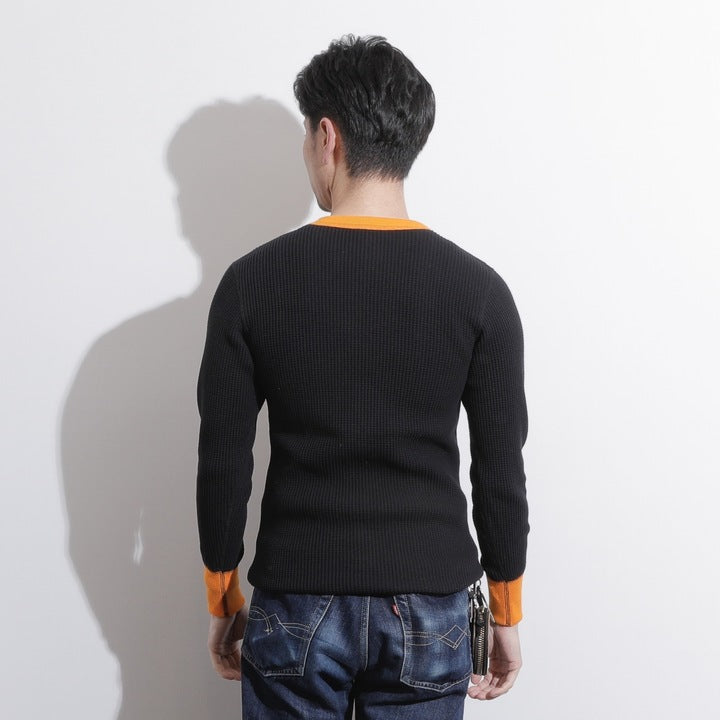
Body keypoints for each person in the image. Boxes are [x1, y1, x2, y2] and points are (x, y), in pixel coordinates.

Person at [196, 34, 529, 719]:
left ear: (328, 137)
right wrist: (505, 611)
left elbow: (223, 460)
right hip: (431, 606)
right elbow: (500, 469)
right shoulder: (480, 292)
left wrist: (222, 598)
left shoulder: (251, 284)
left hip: (296, 601)